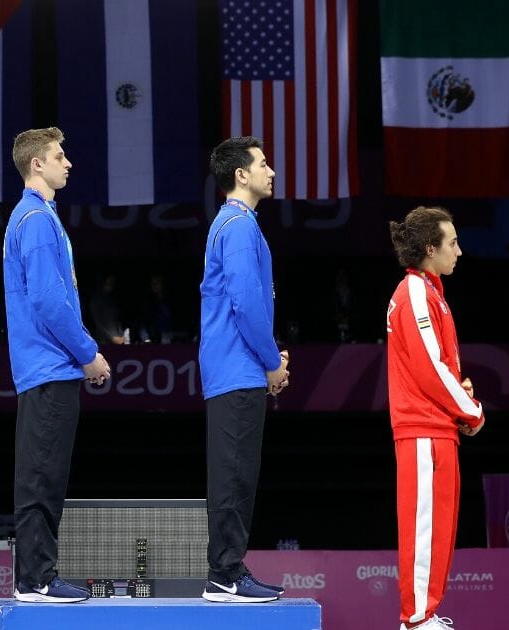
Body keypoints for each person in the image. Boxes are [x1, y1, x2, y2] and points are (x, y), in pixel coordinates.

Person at [3, 127, 110, 603]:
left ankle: (35, 576)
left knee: (41, 473)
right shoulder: (36, 219)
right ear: (37, 165)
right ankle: (36, 579)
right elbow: (49, 301)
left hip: (46, 368)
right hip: (51, 367)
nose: (68, 163)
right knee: (42, 475)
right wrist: (88, 353)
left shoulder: (37, 217)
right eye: (59, 156)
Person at [198, 137, 289, 603]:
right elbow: (247, 303)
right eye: (263, 163)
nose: (271, 171)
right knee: (233, 476)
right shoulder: (235, 225)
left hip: (240, 368)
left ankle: (227, 569)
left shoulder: (239, 225)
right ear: (240, 175)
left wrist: (267, 359)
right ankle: (224, 575)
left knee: (239, 475)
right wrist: (272, 361)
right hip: (238, 370)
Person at [386, 207, 485, 630]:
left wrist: (458, 397)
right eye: (453, 243)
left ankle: (424, 614)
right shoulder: (413, 292)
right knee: (424, 527)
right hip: (423, 427)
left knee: (439, 527)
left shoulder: (432, 291)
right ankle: (416, 618)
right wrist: (472, 411)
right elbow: (429, 367)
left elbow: (441, 365)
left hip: (438, 426)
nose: (460, 251)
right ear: (431, 248)